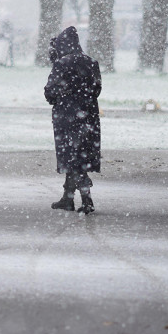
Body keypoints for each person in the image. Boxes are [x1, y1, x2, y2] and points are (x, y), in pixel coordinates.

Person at [44, 26, 102, 214]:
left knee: (72, 157)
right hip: (89, 117)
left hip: (67, 117)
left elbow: (50, 92)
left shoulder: (62, 64)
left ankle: (86, 199)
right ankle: (68, 198)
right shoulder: (91, 62)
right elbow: (97, 90)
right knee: (79, 156)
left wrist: (61, 97)